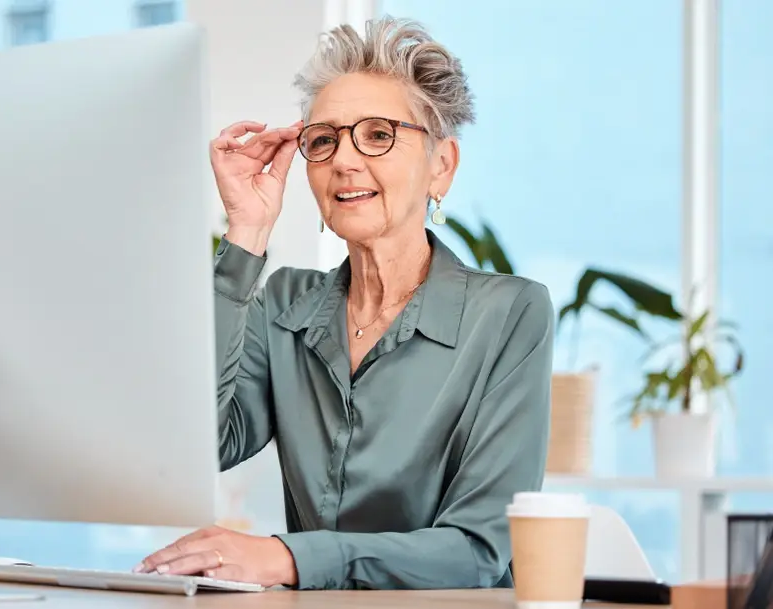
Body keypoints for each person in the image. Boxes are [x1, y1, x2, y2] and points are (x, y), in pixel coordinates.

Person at [135, 16, 554, 590]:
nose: (344, 160)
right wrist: (246, 233)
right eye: (324, 139)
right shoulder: (285, 304)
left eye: (378, 134)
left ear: (442, 165)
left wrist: (288, 558)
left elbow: (478, 549)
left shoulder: (511, 315)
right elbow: (198, 446)